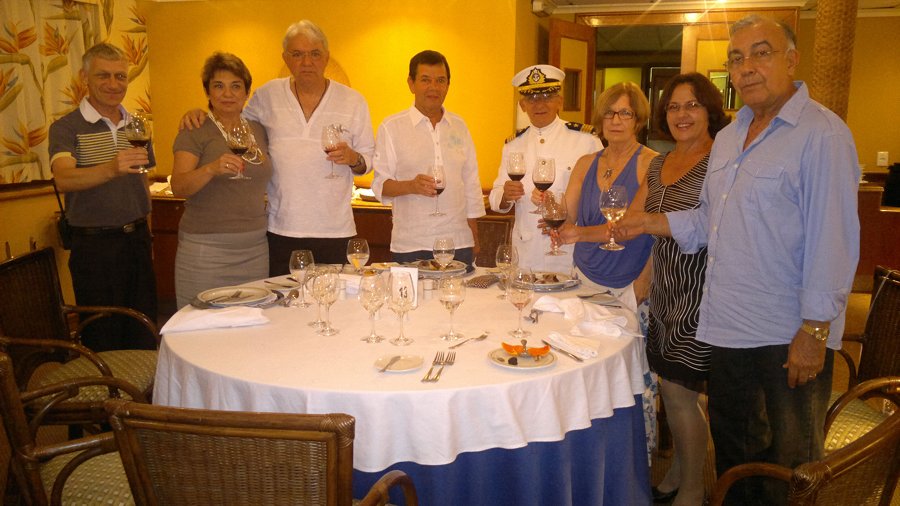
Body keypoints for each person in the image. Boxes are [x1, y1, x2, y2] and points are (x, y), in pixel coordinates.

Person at [615, 15, 859, 505]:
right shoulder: (730, 138)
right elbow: (708, 220)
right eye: (736, 58)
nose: (747, 67)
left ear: (791, 60)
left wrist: (815, 331)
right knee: (735, 455)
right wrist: (648, 222)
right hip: (725, 327)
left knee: (788, 467)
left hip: (785, 334)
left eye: (761, 53)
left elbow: (833, 240)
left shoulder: (822, 135)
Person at [181, 20, 375, 273]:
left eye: (315, 54)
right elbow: (232, 117)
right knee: (283, 296)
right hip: (280, 229)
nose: (307, 62)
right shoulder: (267, 96)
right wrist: (200, 112)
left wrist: (353, 158)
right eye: (297, 54)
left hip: (335, 230)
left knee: (334, 296)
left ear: (326, 57)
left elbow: (368, 161)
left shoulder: (353, 101)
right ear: (286, 58)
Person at [627, 73, 730, 506]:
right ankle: (677, 472)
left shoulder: (720, 161)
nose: (681, 114)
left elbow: (716, 228)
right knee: (675, 392)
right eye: (673, 106)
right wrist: (644, 281)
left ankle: (693, 489)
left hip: (702, 291)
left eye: (692, 105)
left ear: (709, 110)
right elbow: (643, 227)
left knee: (679, 392)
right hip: (666, 291)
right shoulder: (659, 163)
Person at [49, 42, 157, 351]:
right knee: (102, 334)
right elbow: (64, 178)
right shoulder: (66, 127)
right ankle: (105, 384)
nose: (113, 84)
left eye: (120, 76)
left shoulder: (137, 125)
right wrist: (111, 168)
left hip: (137, 240)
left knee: (144, 328)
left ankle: (143, 384)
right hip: (94, 248)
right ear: (85, 77)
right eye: (103, 75)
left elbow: (142, 180)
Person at [170, 53, 273, 309]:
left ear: (246, 93)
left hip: (255, 248)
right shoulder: (195, 129)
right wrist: (210, 169)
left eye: (236, 86)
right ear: (208, 91)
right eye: (218, 86)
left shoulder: (258, 130)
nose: (227, 94)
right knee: (201, 321)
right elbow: (178, 187)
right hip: (206, 250)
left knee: (252, 321)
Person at [371, 50, 484, 266]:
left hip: (458, 242)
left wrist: (474, 238)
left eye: (440, 80)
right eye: (425, 80)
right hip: (412, 244)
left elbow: (471, 184)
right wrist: (411, 186)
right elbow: (380, 186)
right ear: (411, 83)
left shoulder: (459, 126)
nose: (434, 87)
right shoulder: (392, 127)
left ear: (448, 85)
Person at [488, 65, 602, 271]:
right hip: (526, 252)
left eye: (547, 97)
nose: (539, 104)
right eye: (532, 98)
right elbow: (495, 199)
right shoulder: (513, 145)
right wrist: (505, 196)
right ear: (522, 105)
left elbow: (601, 195)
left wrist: (563, 210)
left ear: (560, 101)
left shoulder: (585, 141)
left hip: (568, 251)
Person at [558, 81, 657, 310]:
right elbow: (567, 218)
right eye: (609, 113)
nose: (615, 120)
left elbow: (652, 232)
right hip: (583, 277)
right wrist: (552, 213)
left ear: (638, 119)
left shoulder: (652, 164)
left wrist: (644, 281)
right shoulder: (585, 163)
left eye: (625, 113)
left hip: (629, 282)